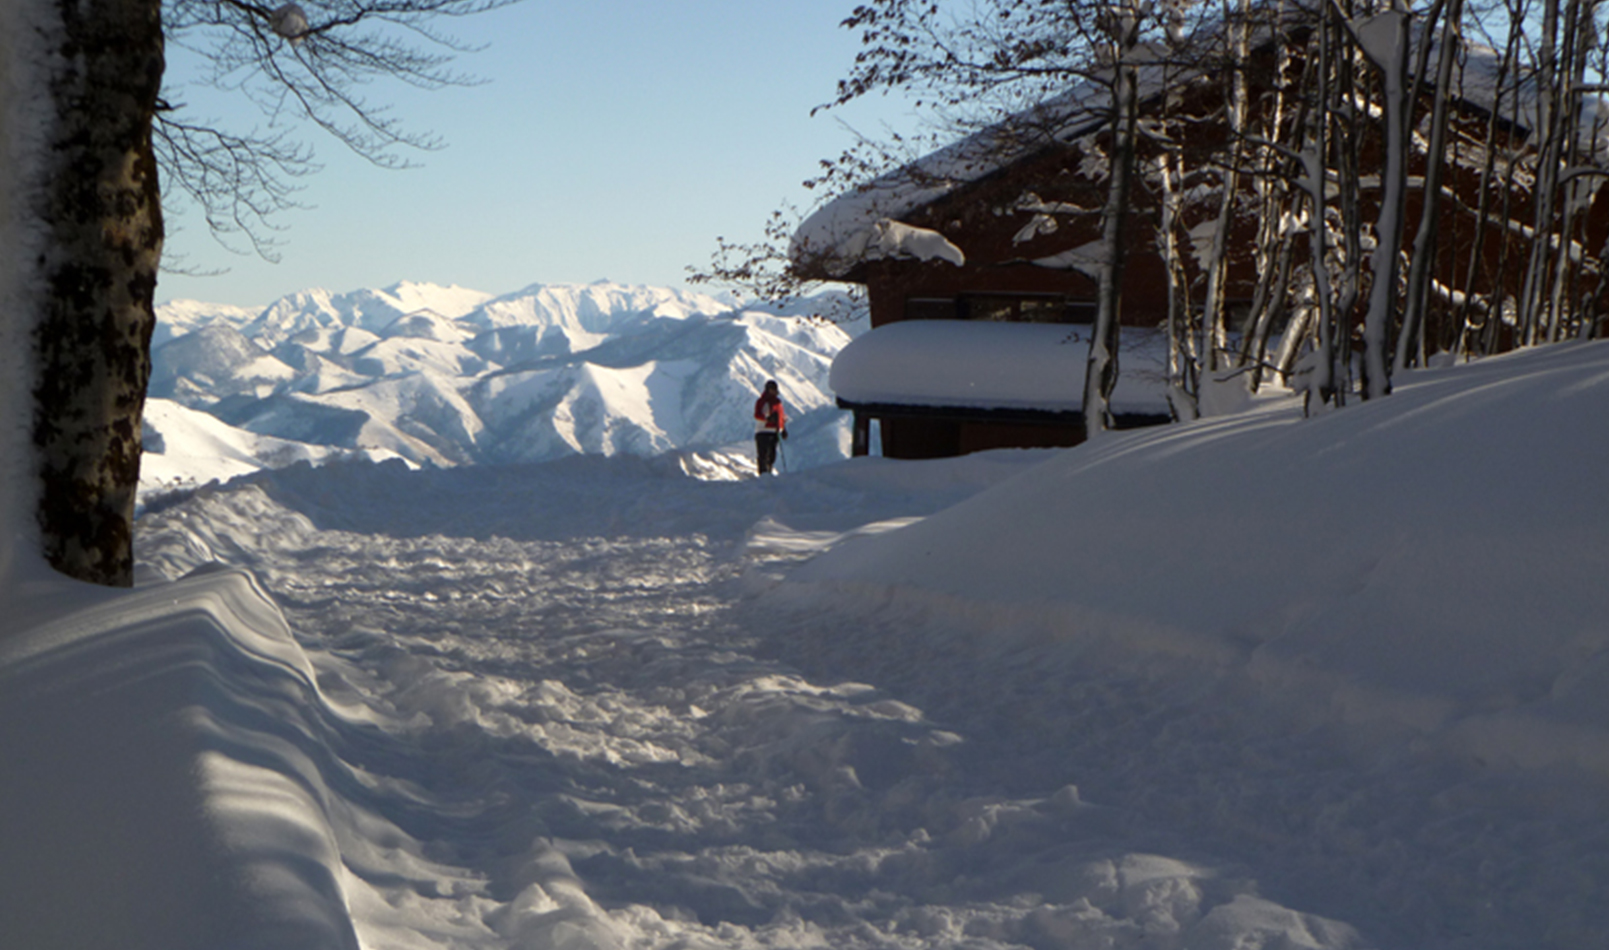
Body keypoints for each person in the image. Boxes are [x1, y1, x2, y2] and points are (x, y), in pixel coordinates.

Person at [753, 379, 787, 475]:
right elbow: (757, 415)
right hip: (763, 430)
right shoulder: (762, 401)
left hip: (774, 431)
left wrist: (783, 429)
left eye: (774, 389)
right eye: (771, 389)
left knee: (772, 455)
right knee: (763, 454)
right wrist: (768, 419)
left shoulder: (778, 403)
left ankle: (768, 471)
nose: (773, 391)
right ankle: (763, 473)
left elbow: (781, 417)